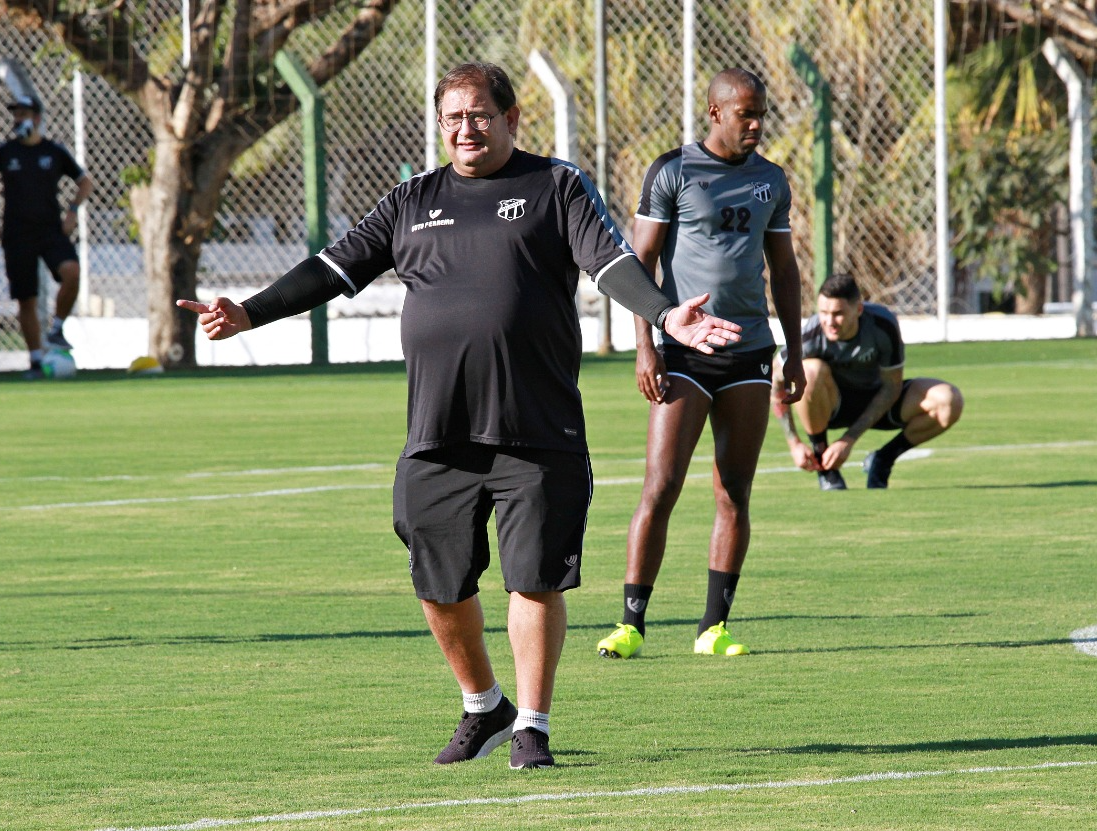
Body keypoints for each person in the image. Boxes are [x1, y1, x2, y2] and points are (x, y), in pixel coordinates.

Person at [177, 62, 743, 769]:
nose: (465, 129)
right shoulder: (412, 199)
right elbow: (334, 266)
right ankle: (484, 704)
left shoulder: (555, 186)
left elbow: (611, 262)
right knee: (438, 583)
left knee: (533, 577)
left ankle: (532, 724)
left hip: (536, 429)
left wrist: (665, 316)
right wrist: (250, 310)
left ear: (511, 118)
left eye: (479, 115)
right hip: (437, 432)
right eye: (452, 119)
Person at [596, 67, 806, 662]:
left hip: (750, 353)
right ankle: (631, 623)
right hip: (685, 353)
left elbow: (785, 272)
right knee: (661, 486)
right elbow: (637, 268)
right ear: (715, 113)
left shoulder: (772, 181)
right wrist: (645, 346)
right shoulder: (674, 171)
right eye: (746, 114)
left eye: (762, 112)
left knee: (734, 491)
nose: (758, 124)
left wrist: (792, 351)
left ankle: (713, 627)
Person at [772, 273, 964, 489]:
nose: (829, 321)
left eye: (838, 314)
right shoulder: (811, 333)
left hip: (881, 403)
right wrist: (794, 442)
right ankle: (825, 465)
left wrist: (849, 439)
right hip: (833, 406)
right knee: (810, 370)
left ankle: (883, 460)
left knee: (949, 401)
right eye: (823, 312)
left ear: (859, 309)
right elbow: (776, 380)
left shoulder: (883, 324)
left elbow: (892, 386)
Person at [0, 94, 93, 379]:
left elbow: (84, 182)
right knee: (26, 298)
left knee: (72, 272)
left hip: (51, 230)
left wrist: (73, 210)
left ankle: (56, 329)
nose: (18, 119)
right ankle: (36, 360)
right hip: (16, 233)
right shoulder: (5, 152)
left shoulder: (53, 151)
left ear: (37, 118)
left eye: (23, 113)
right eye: (15, 114)